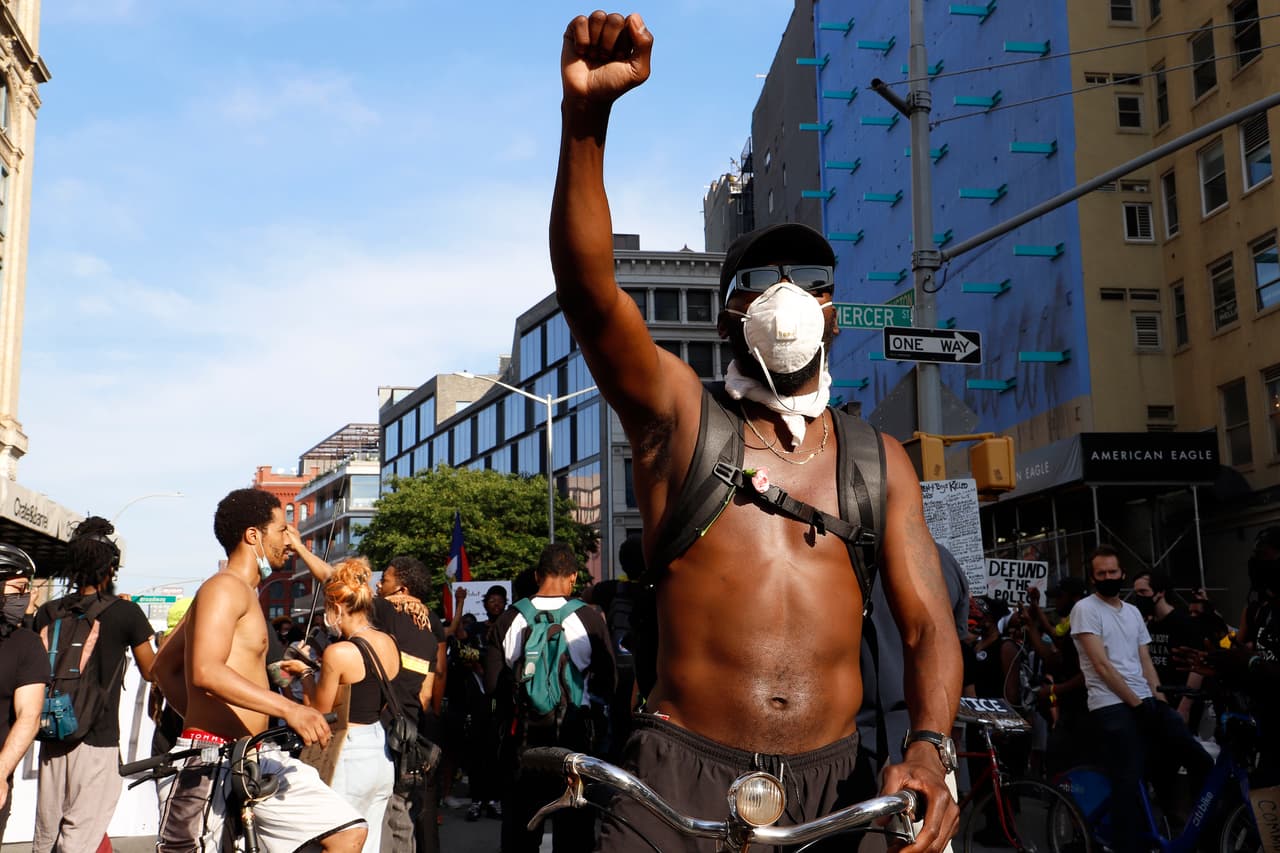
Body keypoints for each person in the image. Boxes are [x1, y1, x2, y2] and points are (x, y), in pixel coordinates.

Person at [550, 12, 962, 852]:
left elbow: (926, 626)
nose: (785, 295)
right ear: (726, 315)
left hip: (834, 789)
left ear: (834, 314)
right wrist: (586, 123)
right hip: (676, 776)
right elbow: (592, 296)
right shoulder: (682, 419)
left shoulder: (878, 461)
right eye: (757, 281)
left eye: (808, 278)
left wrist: (929, 748)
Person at [151, 488, 367, 853]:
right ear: (253, 535)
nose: (290, 539)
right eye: (283, 530)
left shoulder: (240, 591)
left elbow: (164, 667)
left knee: (348, 833)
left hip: (254, 754)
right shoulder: (223, 588)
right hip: (208, 759)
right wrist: (287, 708)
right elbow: (199, 670)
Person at [1070, 545, 1212, 852]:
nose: (1108, 577)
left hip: (1146, 699)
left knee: (1196, 757)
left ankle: (1200, 831)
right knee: (1129, 777)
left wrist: (1158, 699)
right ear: (1093, 579)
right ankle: (1125, 845)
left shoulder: (1133, 612)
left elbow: (1145, 661)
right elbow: (1102, 666)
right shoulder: (1085, 609)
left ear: (1122, 573)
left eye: (1113, 572)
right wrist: (1136, 704)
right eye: (1101, 573)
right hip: (1111, 704)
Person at [32, 517, 156, 853]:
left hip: (52, 733)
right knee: (80, 838)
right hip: (98, 738)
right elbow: (152, 671)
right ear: (110, 569)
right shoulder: (126, 613)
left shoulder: (47, 612)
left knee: (47, 834)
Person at [484, 544, 615, 853]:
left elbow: (492, 686)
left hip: (523, 740)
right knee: (575, 831)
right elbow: (610, 681)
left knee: (520, 830)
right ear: (572, 577)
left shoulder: (508, 619)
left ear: (536, 575)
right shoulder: (588, 619)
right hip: (573, 738)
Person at [281, 557, 400, 853]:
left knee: (341, 838)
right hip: (379, 746)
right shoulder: (389, 641)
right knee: (368, 841)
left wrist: (306, 673)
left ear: (336, 607)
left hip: (349, 749)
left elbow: (319, 711)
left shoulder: (339, 652)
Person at [0, 543, 47, 842]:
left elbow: (29, 715)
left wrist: (1, 773)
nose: (25, 598)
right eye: (18, 588)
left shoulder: (26, 644)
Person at [1131, 571, 1204, 722]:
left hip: (1180, 701)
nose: (1139, 597)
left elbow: (1198, 668)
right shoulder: (1148, 625)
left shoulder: (1184, 623)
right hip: (1157, 701)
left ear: (1160, 592)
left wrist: (1185, 707)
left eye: (1143, 591)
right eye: (1136, 592)